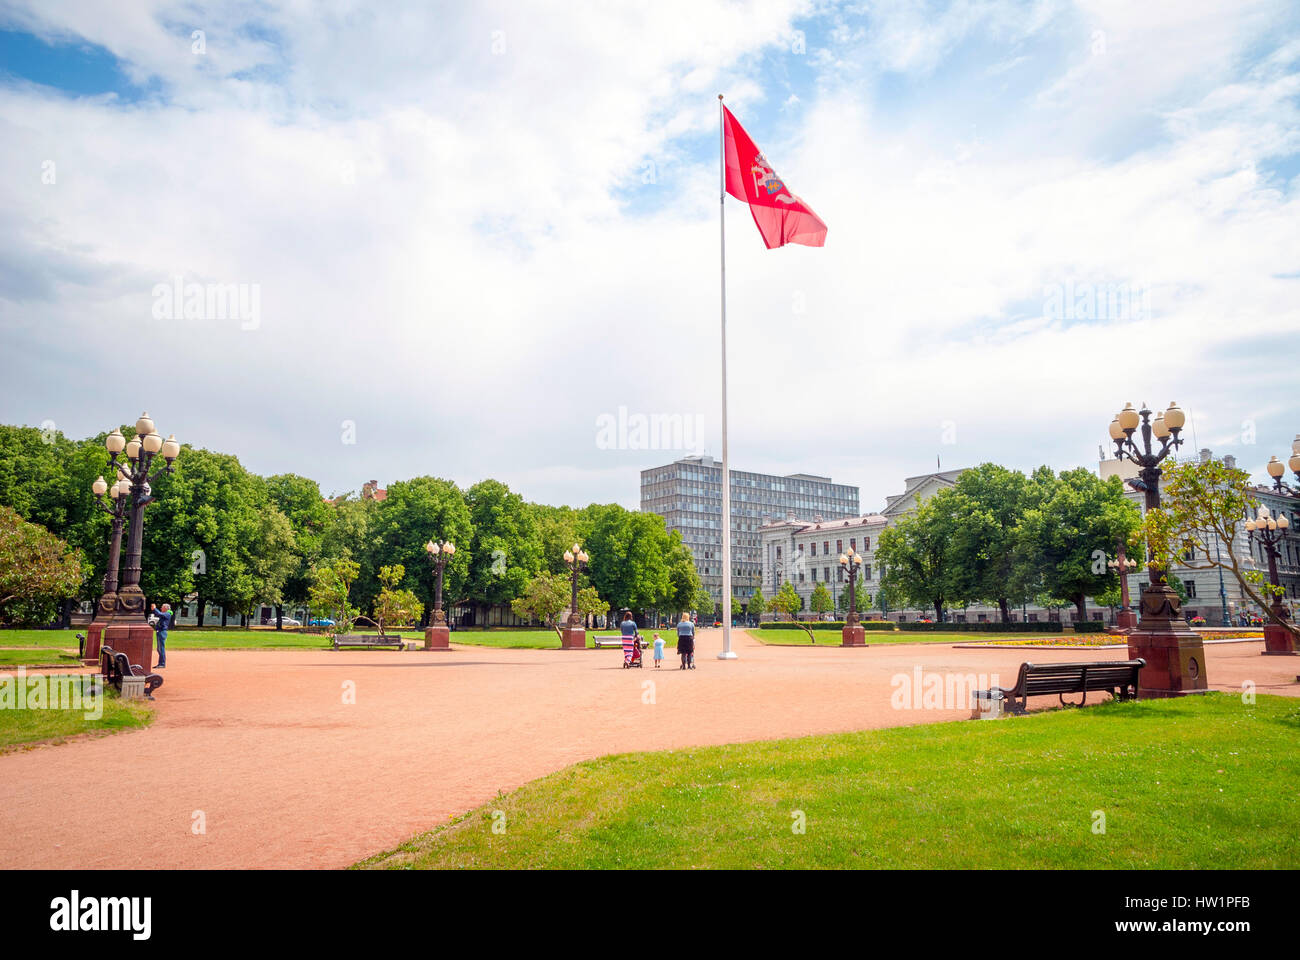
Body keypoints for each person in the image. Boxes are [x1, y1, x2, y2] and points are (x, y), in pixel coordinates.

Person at [151, 602, 173, 668]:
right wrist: (154, 610)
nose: (161, 608)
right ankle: (161, 663)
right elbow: (158, 614)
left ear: (165, 608)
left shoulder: (168, 614)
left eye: (162, 607)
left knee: (161, 648)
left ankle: (162, 664)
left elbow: (159, 613)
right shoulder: (166, 614)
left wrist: (155, 608)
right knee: (159, 649)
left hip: (162, 632)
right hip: (160, 632)